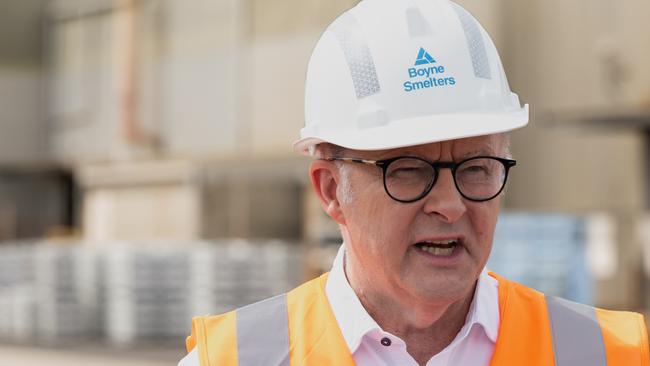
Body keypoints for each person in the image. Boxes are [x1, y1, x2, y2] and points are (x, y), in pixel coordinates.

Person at [179, 0, 649, 365]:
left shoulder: (610, 354)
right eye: (408, 171)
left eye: (476, 168)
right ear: (329, 190)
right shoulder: (235, 359)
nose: (450, 205)